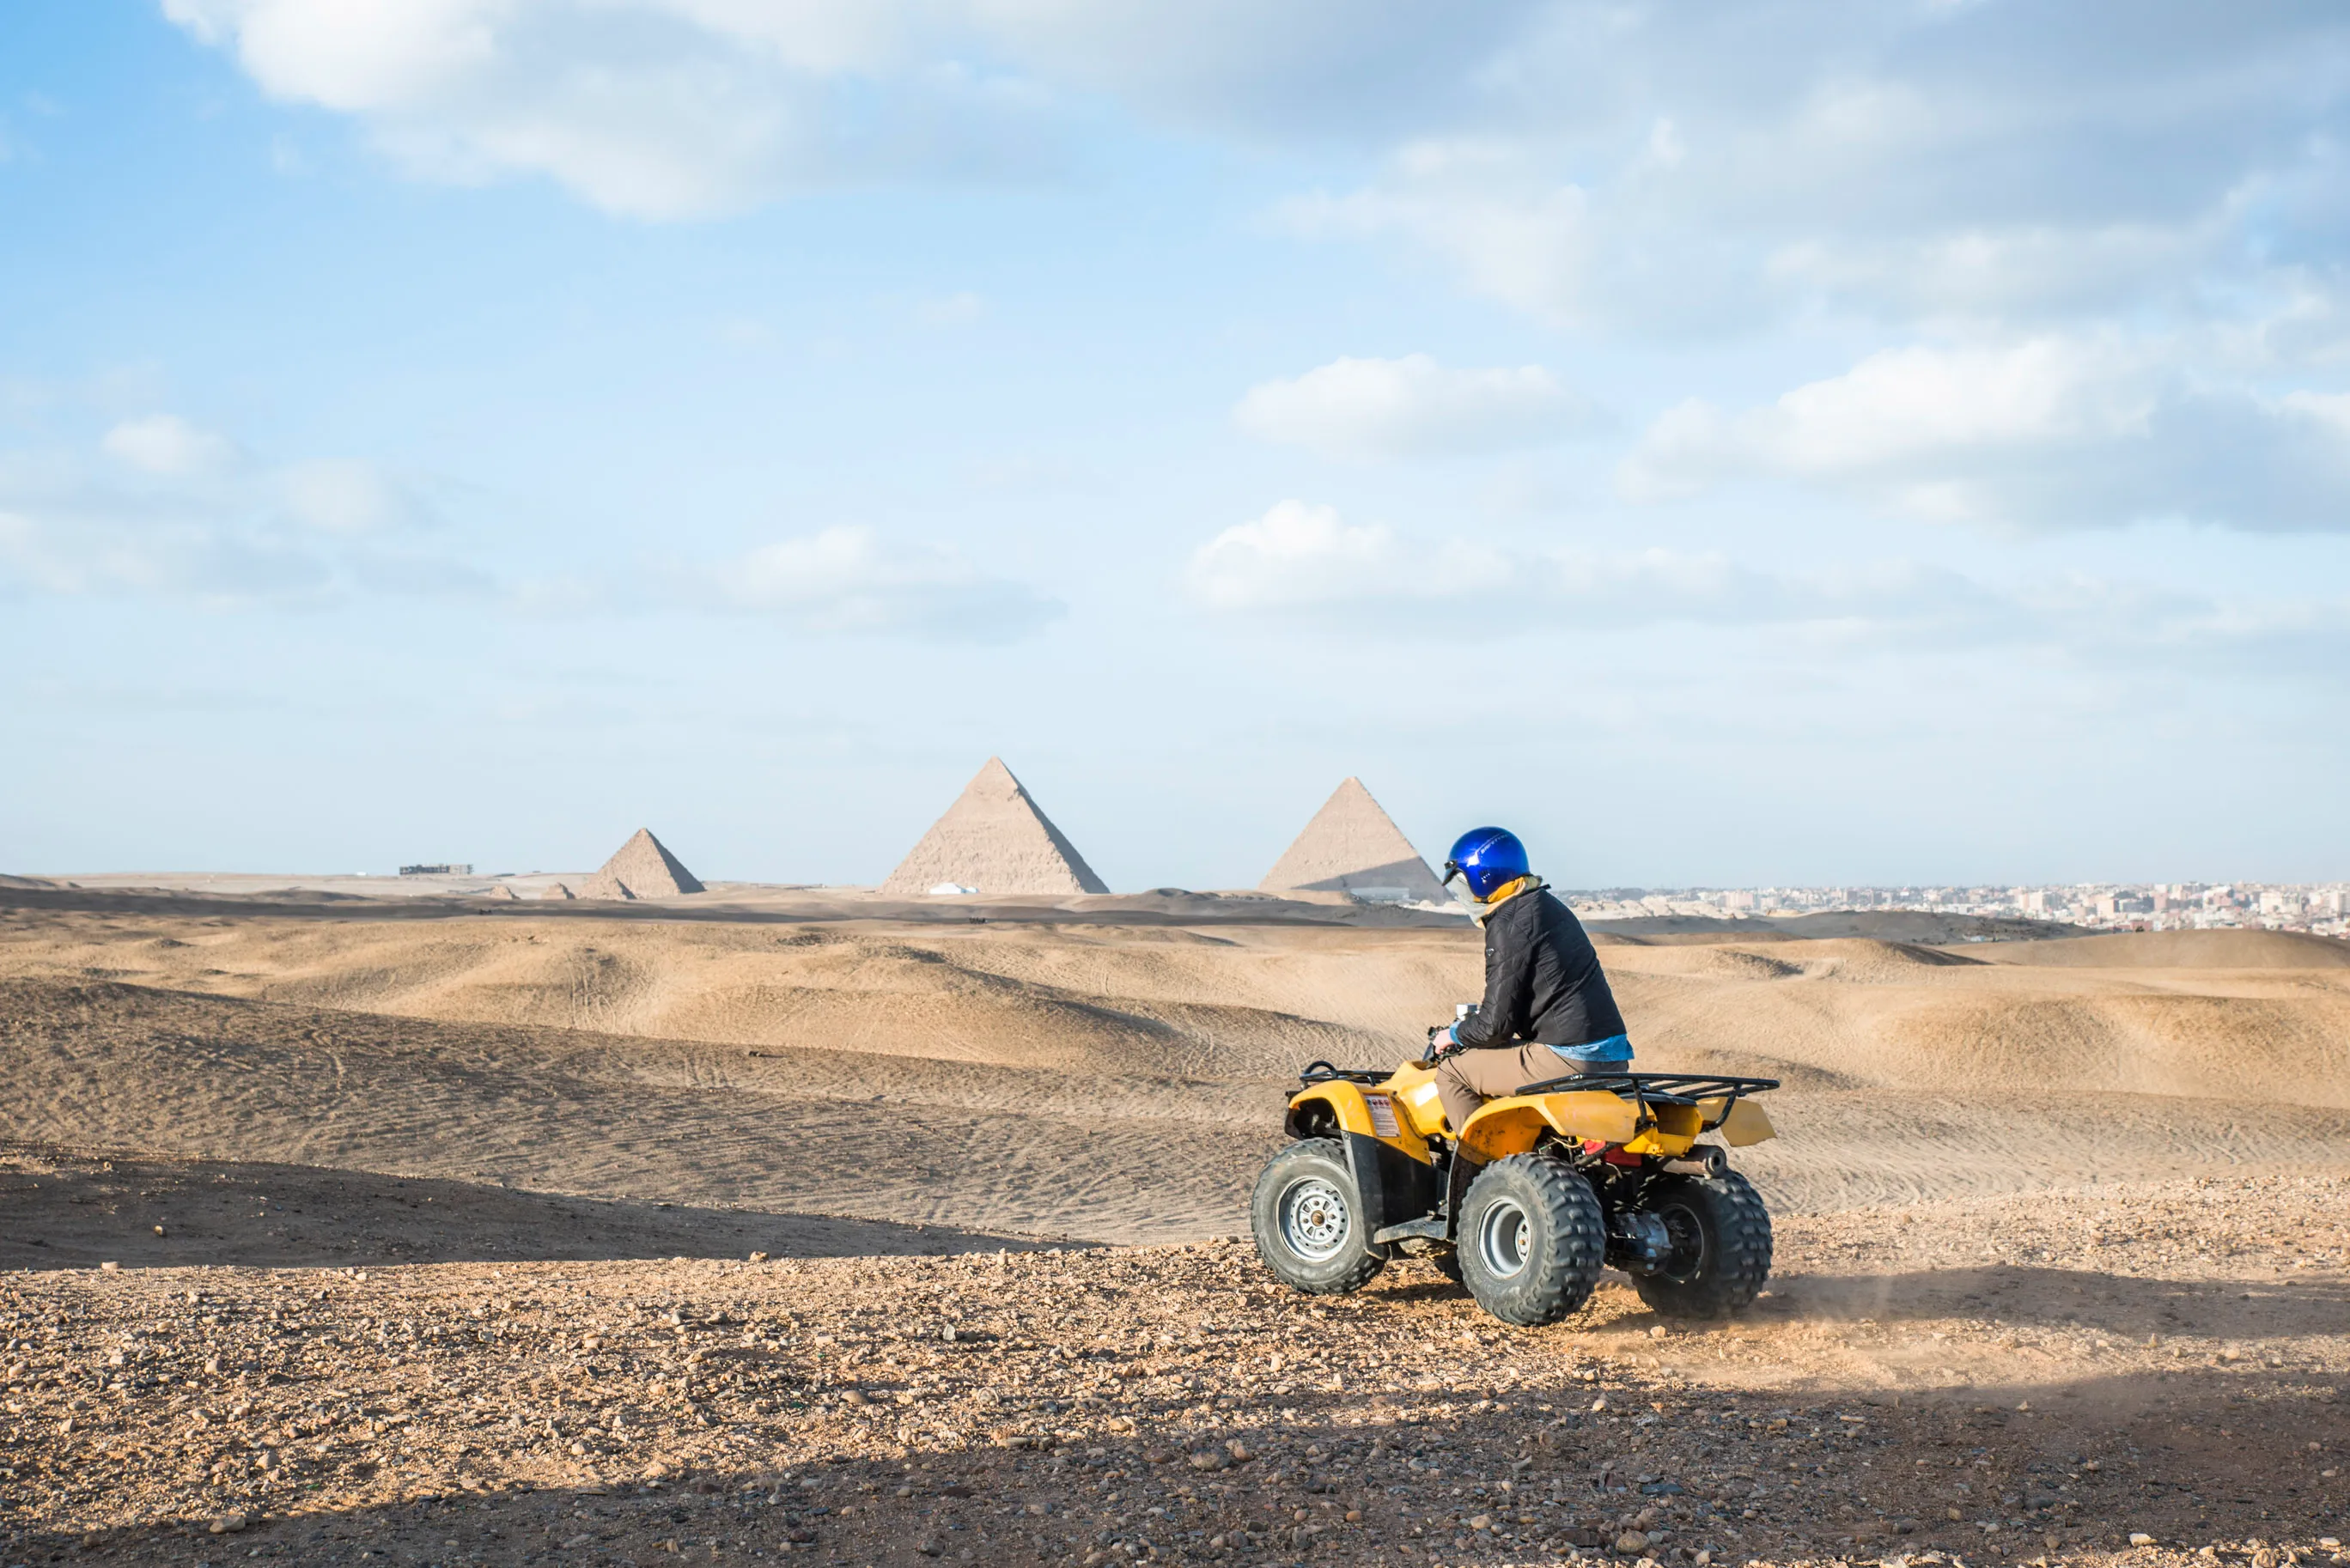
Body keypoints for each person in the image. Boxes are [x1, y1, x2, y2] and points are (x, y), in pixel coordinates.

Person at [1428, 825, 1631, 1138]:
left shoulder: (1508, 923)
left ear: (1483, 878)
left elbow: (1494, 1026)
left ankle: (1482, 1172)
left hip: (1570, 1059)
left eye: (1462, 886)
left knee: (1452, 1072)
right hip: (1613, 1058)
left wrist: (1452, 1034)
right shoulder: (1546, 905)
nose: (1463, 897)